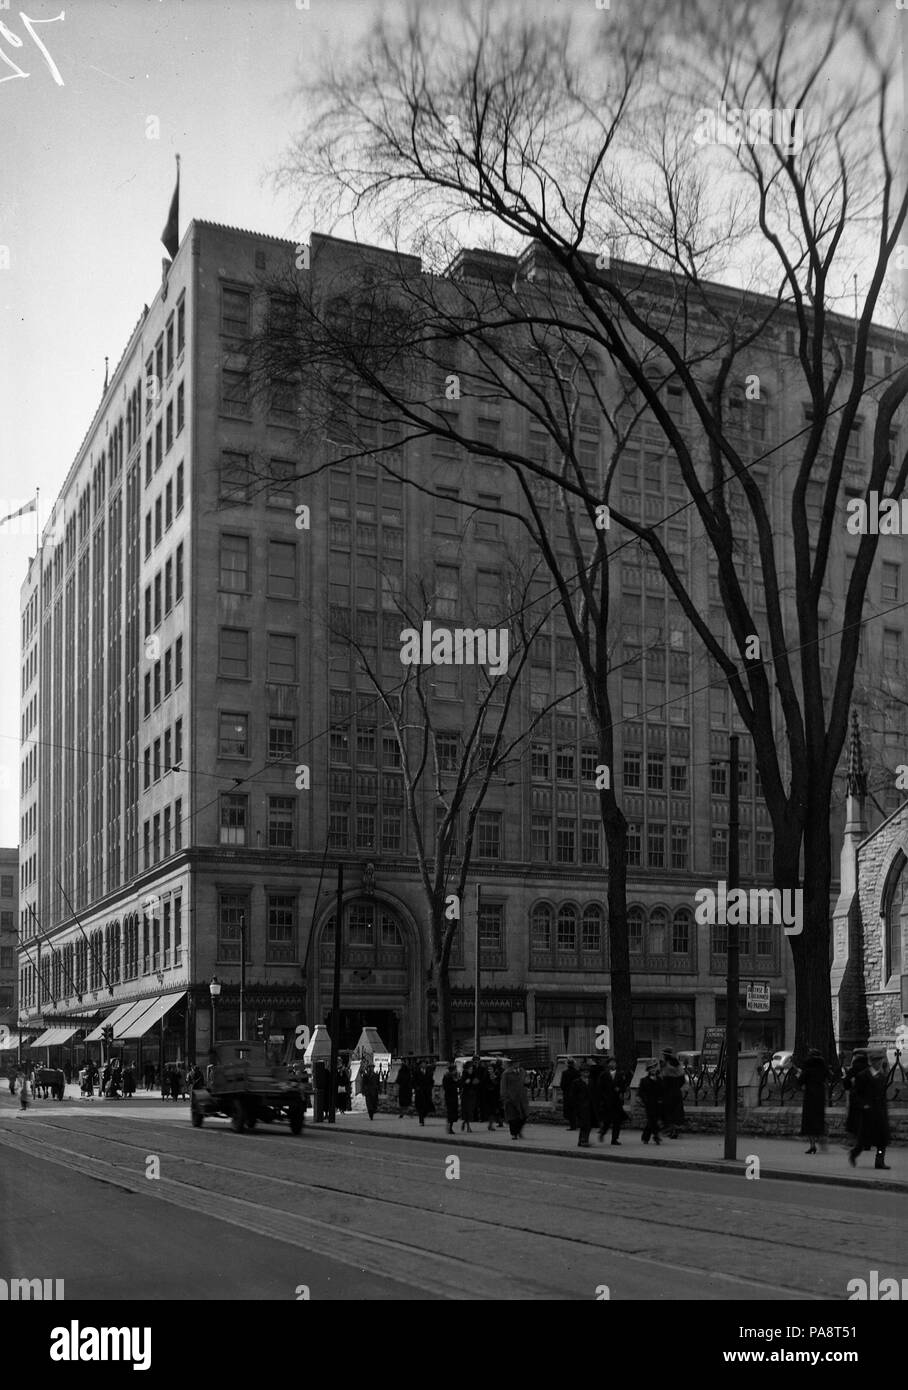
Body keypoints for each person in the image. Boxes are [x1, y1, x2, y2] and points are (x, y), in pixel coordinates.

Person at [847, 1053, 892, 1170]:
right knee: (864, 1140)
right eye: (877, 1062)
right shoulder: (863, 1076)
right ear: (872, 1062)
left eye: (880, 1062)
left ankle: (879, 1161)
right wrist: (863, 1105)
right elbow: (855, 1093)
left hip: (880, 1111)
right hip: (868, 1112)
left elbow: (882, 1095)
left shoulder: (882, 1077)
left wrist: (885, 1110)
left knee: (882, 1139)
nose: (879, 1064)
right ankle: (854, 1153)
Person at [798, 1047, 829, 1154]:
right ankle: (821, 1137)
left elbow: (800, 1082)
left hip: (809, 1096)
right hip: (820, 1095)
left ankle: (812, 1145)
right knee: (819, 1118)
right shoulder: (823, 1067)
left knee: (809, 1121)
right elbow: (829, 1077)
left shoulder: (808, 1067)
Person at [500, 1058, 529, 1140]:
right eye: (515, 1062)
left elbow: (526, 1082)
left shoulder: (522, 1071)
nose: (517, 1064)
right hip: (511, 1098)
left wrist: (527, 1082)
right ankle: (514, 1134)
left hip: (521, 1098)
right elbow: (503, 1086)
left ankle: (518, 1130)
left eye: (518, 1062)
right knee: (513, 1118)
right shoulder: (506, 1073)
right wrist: (505, 1097)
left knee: (524, 1116)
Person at [660, 1050, 685, 1139]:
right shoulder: (676, 1063)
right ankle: (674, 1130)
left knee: (669, 1111)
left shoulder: (667, 1064)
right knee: (676, 1111)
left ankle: (671, 1130)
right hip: (675, 1090)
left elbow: (663, 1078)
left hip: (668, 1090)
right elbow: (682, 1079)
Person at [638, 1062, 664, 1145]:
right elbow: (641, 1092)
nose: (653, 1070)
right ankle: (656, 1136)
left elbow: (663, 1090)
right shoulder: (644, 1080)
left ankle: (645, 1137)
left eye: (654, 1068)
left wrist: (662, 1099)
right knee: (652, 1120)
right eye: (651, 1068)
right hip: (649, 1104)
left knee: (652, 1121)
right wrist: (644, 1099)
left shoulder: (659, 1079)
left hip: (658, 1103)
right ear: (648, 1070)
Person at [570, 1065, 594, 1147]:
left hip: (590, 1106)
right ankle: (583, 1140)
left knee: (589, 1125)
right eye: (584, 1072)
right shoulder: (576, 1082)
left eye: (587, 1072)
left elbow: (594, 1093)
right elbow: (573, 1095)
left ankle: (582, 1140)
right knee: (584, 1124)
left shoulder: (591, 1081)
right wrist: (575, 1105)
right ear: (581, 1073)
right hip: (581, 1106)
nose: (586, 1074)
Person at [460, 1060, 480, 1132]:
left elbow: (477, 1082)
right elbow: (461, 1084)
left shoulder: (474, 1074)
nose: (471, 1070)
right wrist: (465, 1082)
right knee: (466, 1110)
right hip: (466, 1095)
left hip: (472, 1095)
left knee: (471, 1110)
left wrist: (476, 1082)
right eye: (470, 1068)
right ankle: (468, 1126)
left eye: (472, 1069)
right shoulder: (464, 1075)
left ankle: (465, 1122)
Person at [414, 1061, 434, 1126]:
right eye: (423, 1064)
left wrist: (430, 1086)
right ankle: (421, 1121)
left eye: (425, 1064)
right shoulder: (416, 1072)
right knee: (420, 1107)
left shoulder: (428, 1072)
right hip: (420, 1092)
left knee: (427, 1107)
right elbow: (413, 1081)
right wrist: (416, 1087)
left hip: (427, 1092)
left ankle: (423, 1115)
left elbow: (431, 1080)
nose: (424, 1065)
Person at [561, 1060, 579, 1129]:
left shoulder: (565, 1073)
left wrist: (565, 1091)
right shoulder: (577, 1072)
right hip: (577, 1094)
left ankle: (572, 1125)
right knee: (576, 1109)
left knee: (569, 1110)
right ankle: (577, 1123)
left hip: (567, 1093)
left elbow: (562, 1084)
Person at [442, 1062, 459, 1135]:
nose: (456, 1071)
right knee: (450, 1112)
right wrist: (455, 1083)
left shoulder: (454, 1077)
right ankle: (449, 1128)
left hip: (453, 1096)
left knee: (453, 1112)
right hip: (449, 1096)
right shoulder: (447, 1077)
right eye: (455, 1069)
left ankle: (450, 1127)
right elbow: (446, 1087)